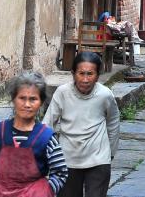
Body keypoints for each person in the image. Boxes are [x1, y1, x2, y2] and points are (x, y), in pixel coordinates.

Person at [0, 72, 69, 197]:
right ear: (13, 99)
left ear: (41, 102)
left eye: (33, 99)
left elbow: (60, 172)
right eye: (22, 98)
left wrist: (45, 191)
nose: (27, 105)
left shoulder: (46, 137)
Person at [43, 52, 120, 197]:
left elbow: (113, 122)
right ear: (73, 74)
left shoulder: (105, 95)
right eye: (81, 73)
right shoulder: (62, 93)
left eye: (90, 74)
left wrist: (110, 152)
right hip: (67, 159)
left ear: (97, 75)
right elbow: (48, 124)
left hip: (98, 159)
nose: (85, 79)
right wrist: (47, 155)